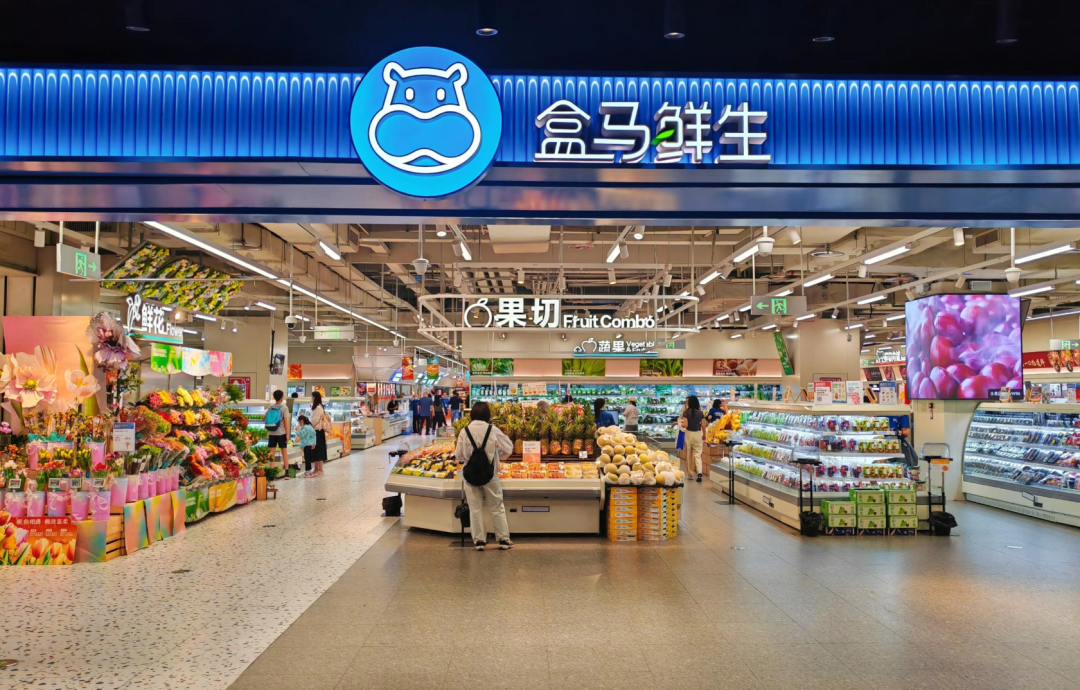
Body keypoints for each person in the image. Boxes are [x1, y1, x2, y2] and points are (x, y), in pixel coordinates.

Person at [454, 402, 514, 551]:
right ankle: (503, 540)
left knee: (475, 509)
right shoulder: (492, 430)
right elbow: (509, 447)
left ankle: (479, 541)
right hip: (490, 474)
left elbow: (458, 455)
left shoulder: (464, 431)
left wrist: (469, 457)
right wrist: (500, 457)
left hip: (470, 475)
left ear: (472, 414)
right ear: (488, 415)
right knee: (496, 507)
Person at [264, 390, 291, 478]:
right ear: (281, 398)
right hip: (281, 433)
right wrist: (287, 434)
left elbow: (264, 418)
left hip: (272, 433)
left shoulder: (271, 407)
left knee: (272, 453)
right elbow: (286, 422)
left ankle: (271, 473)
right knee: (284, 452)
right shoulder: (284, 408)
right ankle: (286, 472)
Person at [680, 395, 705, 482]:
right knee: (697, 455)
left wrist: (680, 423)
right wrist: (704, 434)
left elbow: (685, 425)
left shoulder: (686, 412)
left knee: (688, 455)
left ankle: (690, 474)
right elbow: (703, 425)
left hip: (689, 434)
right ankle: (699, 473)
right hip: (698, 434)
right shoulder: (700, 413)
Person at [308, 390, 330, 477]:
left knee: (319, 451)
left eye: (312, 396)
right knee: (315, 451)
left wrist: (308, 425)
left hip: (318, 431)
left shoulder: (318, 408)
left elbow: (315, 420)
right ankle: (316, 469)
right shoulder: (317, 407)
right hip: (315, 431)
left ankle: (320, 470)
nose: (311, 397)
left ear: (314, 397)